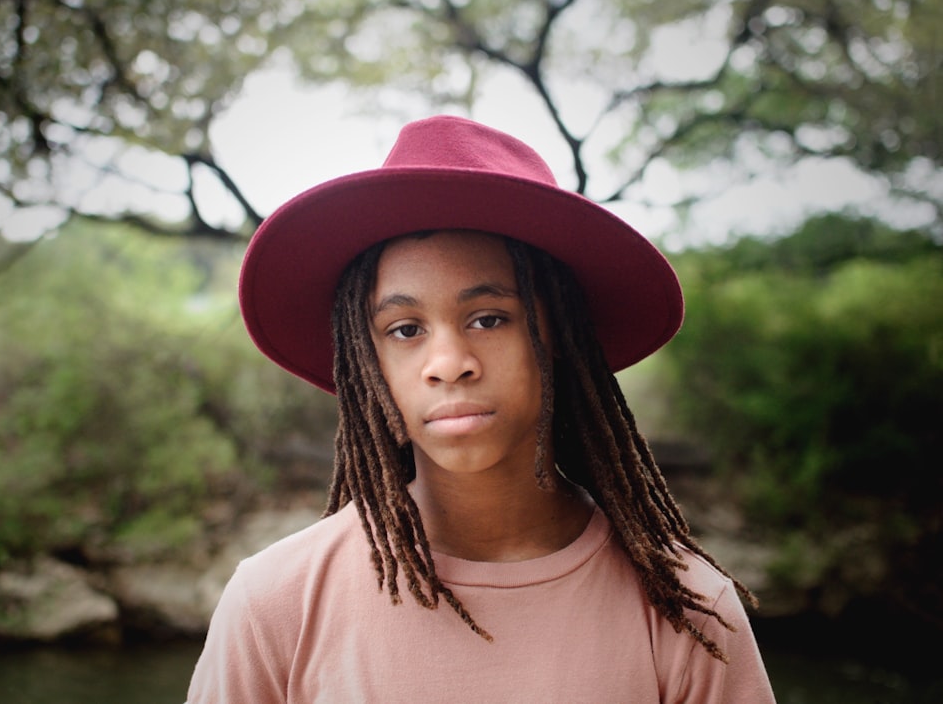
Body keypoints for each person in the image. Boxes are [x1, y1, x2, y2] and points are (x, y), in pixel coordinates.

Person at [186, 115, 776, 702]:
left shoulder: (687, 612)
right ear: (368, 363)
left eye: (489, 318)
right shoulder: (275, 604)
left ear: (562, 339)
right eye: (405, 329)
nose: (448, 362)